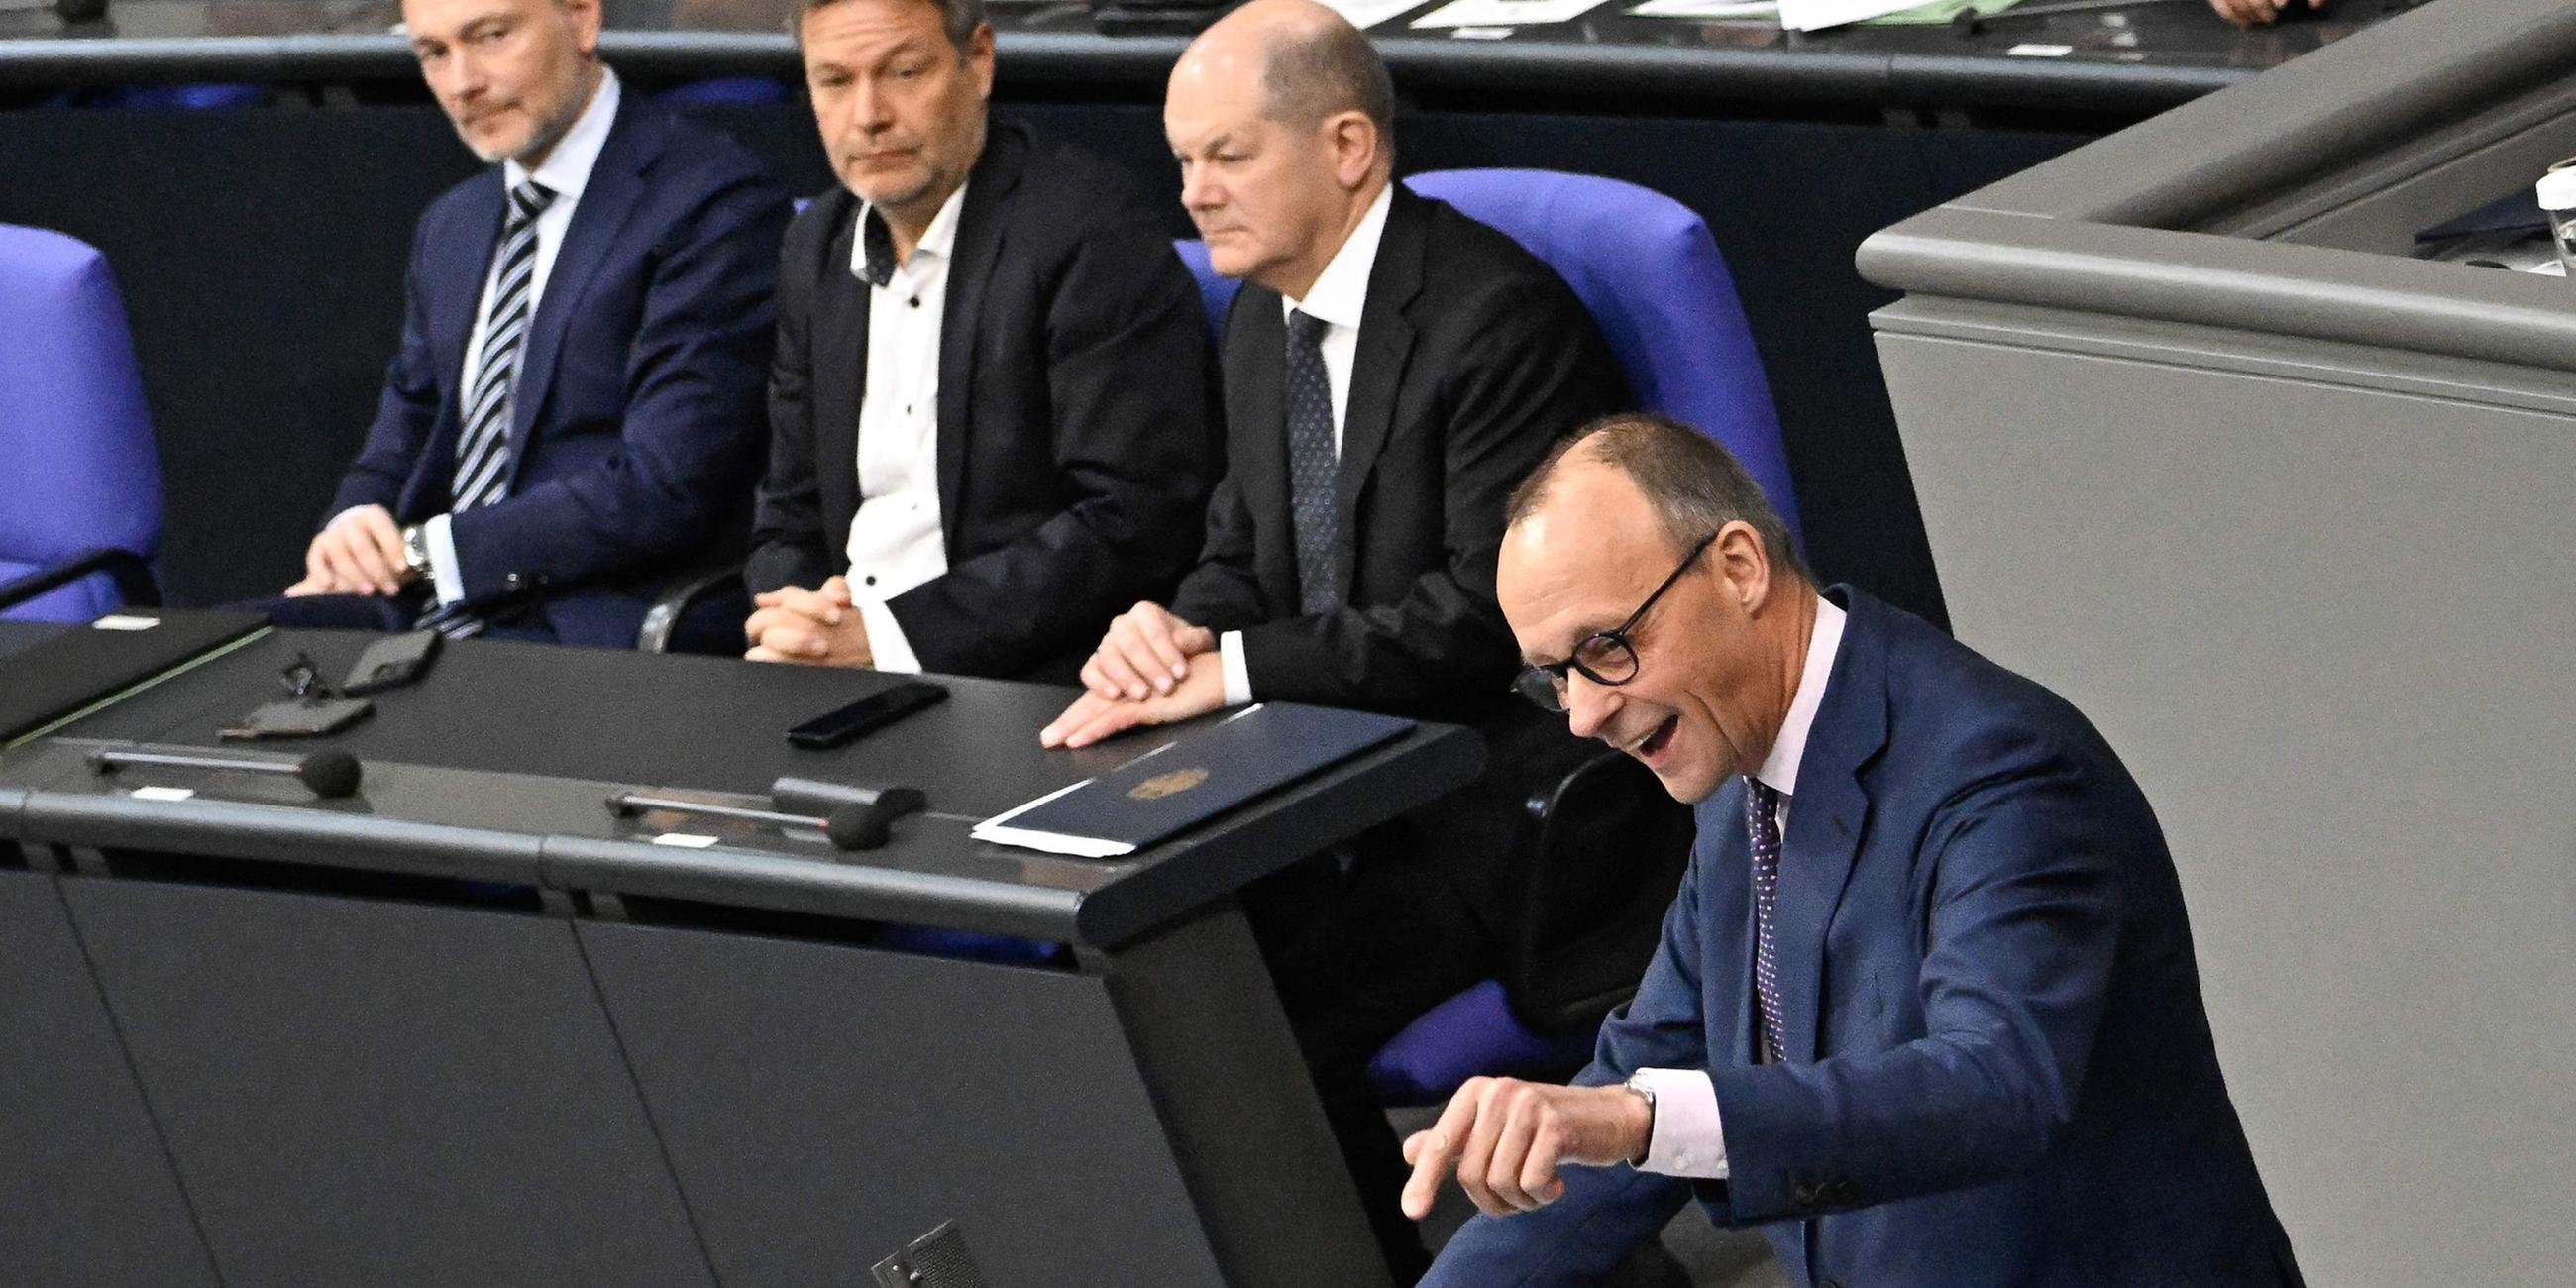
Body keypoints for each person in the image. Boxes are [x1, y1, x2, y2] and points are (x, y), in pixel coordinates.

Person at [1406, 412, 2306, 1287]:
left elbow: (1994, 1082)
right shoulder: (1739, 782)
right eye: (1554, 674)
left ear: (1739, 567)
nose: (1585, 714)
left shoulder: (1997, 770)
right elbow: (1644, 1077)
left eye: (1606, 647)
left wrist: (1634, 1119)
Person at [1039, 0, 1628, 1275]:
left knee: (1251, 1020)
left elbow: (1490, 619)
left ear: (1350, 144)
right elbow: (1244, 555)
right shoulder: (1264, 316)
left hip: (1498, 808)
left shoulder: (1494, 320)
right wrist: (1170, 630)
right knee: (1133, 961)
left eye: (1227, 156)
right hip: (1334, 792)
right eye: (1182, 161)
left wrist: (1229, 670)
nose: (1193, 194)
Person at [278, 0, 790, 645]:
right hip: (422, 608)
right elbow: (407, 419)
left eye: (490, 36)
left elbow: (664, 485)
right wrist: (356, 522)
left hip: (588, 621)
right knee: (181, 667)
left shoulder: (711, 202)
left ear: (581, 18)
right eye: (434, 53)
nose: (462, 82)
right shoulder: (452, 223)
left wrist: (429, 555)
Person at [739, 0, 1220, 681]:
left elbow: (1134, 519)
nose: (869, 115)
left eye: (903, 72)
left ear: (980, 61)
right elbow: (787, 510)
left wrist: (894, 638)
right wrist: (802, 620)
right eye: (835, 82)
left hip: (1023, 678)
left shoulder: (1089, 234)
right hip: (831, 666)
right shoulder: (816, 245)